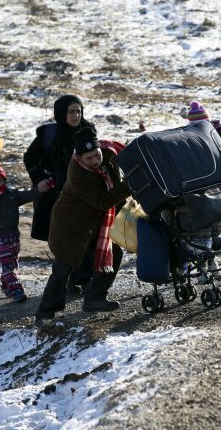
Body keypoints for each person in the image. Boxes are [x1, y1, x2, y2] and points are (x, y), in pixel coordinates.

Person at [35, 127, 131, 322]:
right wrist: (130, 185)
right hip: (70, 227)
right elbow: (103, 201)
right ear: (79, 158)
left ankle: (95, 297)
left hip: (93, 223)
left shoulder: (107, 154)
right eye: (89, 159)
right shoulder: (78, 174)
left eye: (96, 155)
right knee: (62, 269)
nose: (95, 161)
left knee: (115, 253)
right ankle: (44, 314)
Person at [23, 94, 95, 294]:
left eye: (78, 111)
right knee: (65, 237)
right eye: (71, 111)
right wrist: (40, 180)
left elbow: (95, 157)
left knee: (86, 235)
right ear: (61, 113)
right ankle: (70, 280)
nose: (76, 115)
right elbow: (30, 158)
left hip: (83, 192)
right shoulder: (49, 134)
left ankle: (84, 277)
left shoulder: (88, 131)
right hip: (56, 194)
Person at [185, 100, 221, 283]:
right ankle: (204, 269)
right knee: (203, 236)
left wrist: (220, 131)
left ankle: (212, 265)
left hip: (216, 195)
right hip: (199, 197)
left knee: (214, 232)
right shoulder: (187, 141)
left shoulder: (214, 137)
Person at [0, 165, 40, 302]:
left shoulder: (12, 194)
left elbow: (27, 195)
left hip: (14, 235)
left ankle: (6, 283)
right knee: (8, 265)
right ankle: (16, 290)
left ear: (4, 180)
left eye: (0, 181)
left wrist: (40, 189)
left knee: (13, 262)